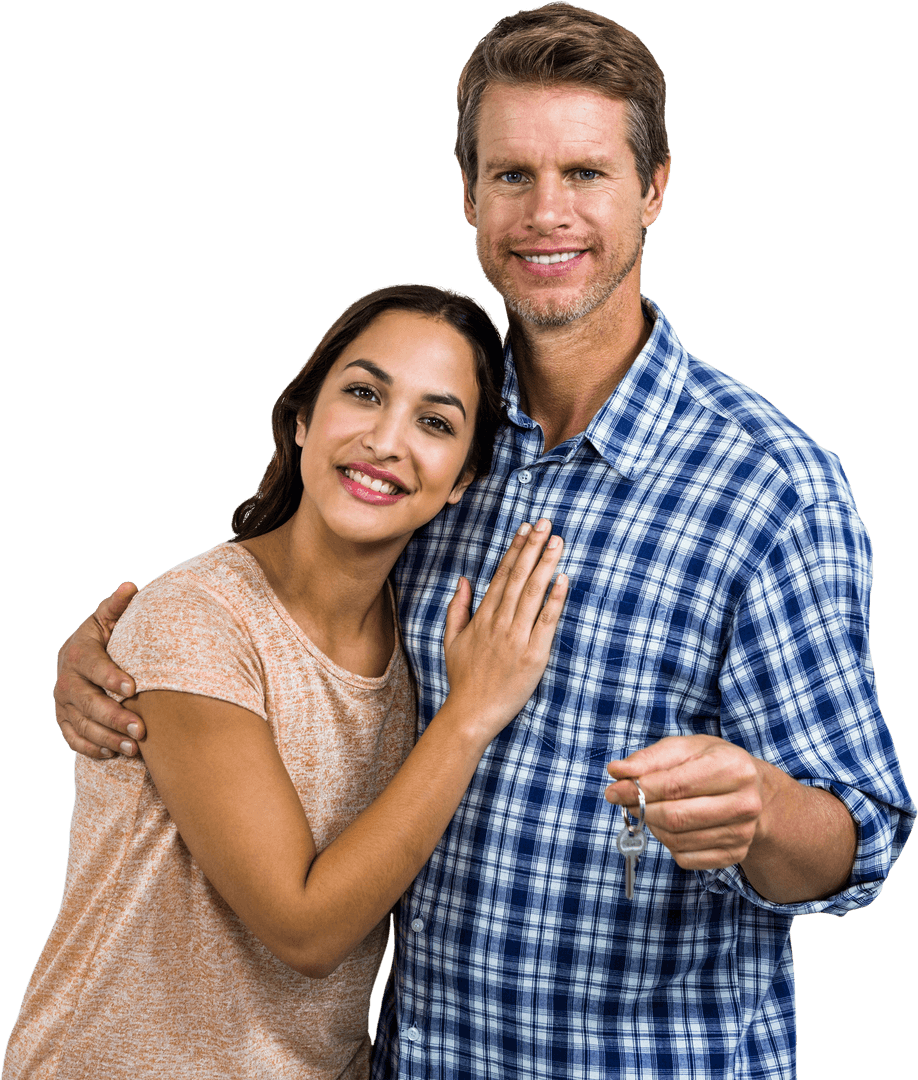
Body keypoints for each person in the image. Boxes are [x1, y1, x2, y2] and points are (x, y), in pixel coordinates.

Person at [50, 4, 915, 1079]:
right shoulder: (434, 442)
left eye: (587, 174)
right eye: (512, 175)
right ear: (469, 194)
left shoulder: (771, 488)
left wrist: (767, 809)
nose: (546, 213)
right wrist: (117, 654)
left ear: (654, 188)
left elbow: (861, 833)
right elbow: (282, 618)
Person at [3, 282, 570, 1079]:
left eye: (435, 422)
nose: (386, 438)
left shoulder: (418, 642)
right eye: (364, 393)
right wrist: (472, 714)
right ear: (303, 417)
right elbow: (304, 930)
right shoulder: (198, 619)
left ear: (465, 479)